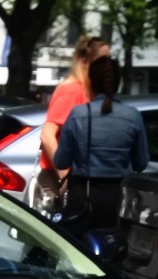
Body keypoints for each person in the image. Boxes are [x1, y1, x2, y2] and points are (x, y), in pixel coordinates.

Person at [53, 56, 148, 230]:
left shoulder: (78, 114)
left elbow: (61, 161)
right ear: (117, 83)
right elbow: (141, 163)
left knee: (77, 246)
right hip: (117, 196)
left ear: (90, 83)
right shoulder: (133, 115)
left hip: (82, 194)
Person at [34, 35, 110, 209]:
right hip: (60, 181)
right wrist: (66, 175)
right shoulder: (73, 91)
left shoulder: (85, 90)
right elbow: (47, 135)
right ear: (85, 61)